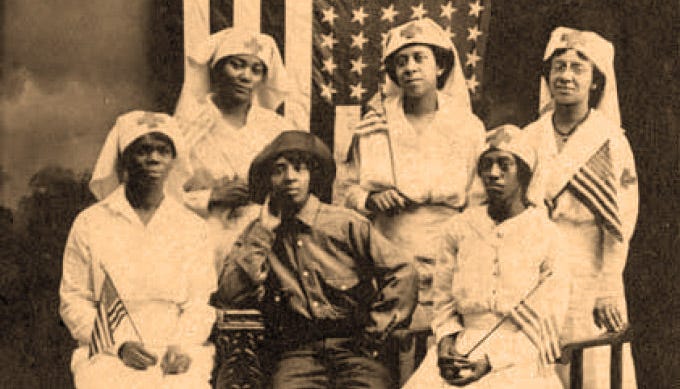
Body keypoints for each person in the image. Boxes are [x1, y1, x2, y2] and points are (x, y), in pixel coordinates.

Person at [212, 131, 418, 388]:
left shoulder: (346, 224)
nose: (290, 178)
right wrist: (263, 234)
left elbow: (402, 271)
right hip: (297, 354)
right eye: (279, 170)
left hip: (356, 349)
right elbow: (230, 294)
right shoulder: (258, 233)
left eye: (299, 169)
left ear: (312, 176)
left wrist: (377, 331)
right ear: (268, 181)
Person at [343, 18, 486, 327]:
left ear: (440, 66)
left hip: (448, 245)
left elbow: (479, 200)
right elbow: (347, 189)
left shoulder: (467, 127)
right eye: (401, 61)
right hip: (389, 244)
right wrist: (370, 198)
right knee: (393, 336)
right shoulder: (374, 123)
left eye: (419, 58)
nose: (409, 68)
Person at [404, 125, 569, 388]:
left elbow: (550, 317)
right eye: (487, 165)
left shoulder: (546, 234)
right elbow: (444, 300)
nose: (493, 173)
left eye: (505, 165)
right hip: (461, 347)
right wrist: (446, 344)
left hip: (520, 355)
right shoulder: (459, 228)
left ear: (524, 174)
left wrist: (491, 361)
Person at [59, 111, 215, 389]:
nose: (154, 159)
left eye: (163, 151)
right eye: (143, 150)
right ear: (124, 159)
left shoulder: (192, 227)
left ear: (172, 160)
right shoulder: (91, 223)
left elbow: (198, 304)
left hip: (175, 347)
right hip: (108, 349)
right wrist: (119, 345)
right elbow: (73, 300)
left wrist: (181, 346)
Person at [524, 27, 638, 388]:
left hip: (589, 272)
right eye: (559, 67)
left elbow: (621, 223)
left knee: (590, 368)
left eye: (578, 68)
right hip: (534, 270)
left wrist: (608, 284)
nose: (566, 76)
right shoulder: (529, 136)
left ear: (595, 82)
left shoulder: (609, 140)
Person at [171, 27, 297, 272]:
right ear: (217, 69)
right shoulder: (186, 126)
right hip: (201, 235)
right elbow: (162, 197)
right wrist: (211, 197)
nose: (246, 76)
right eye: (237, 65)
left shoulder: (276, 128)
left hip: (264, 236)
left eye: (256, 69)